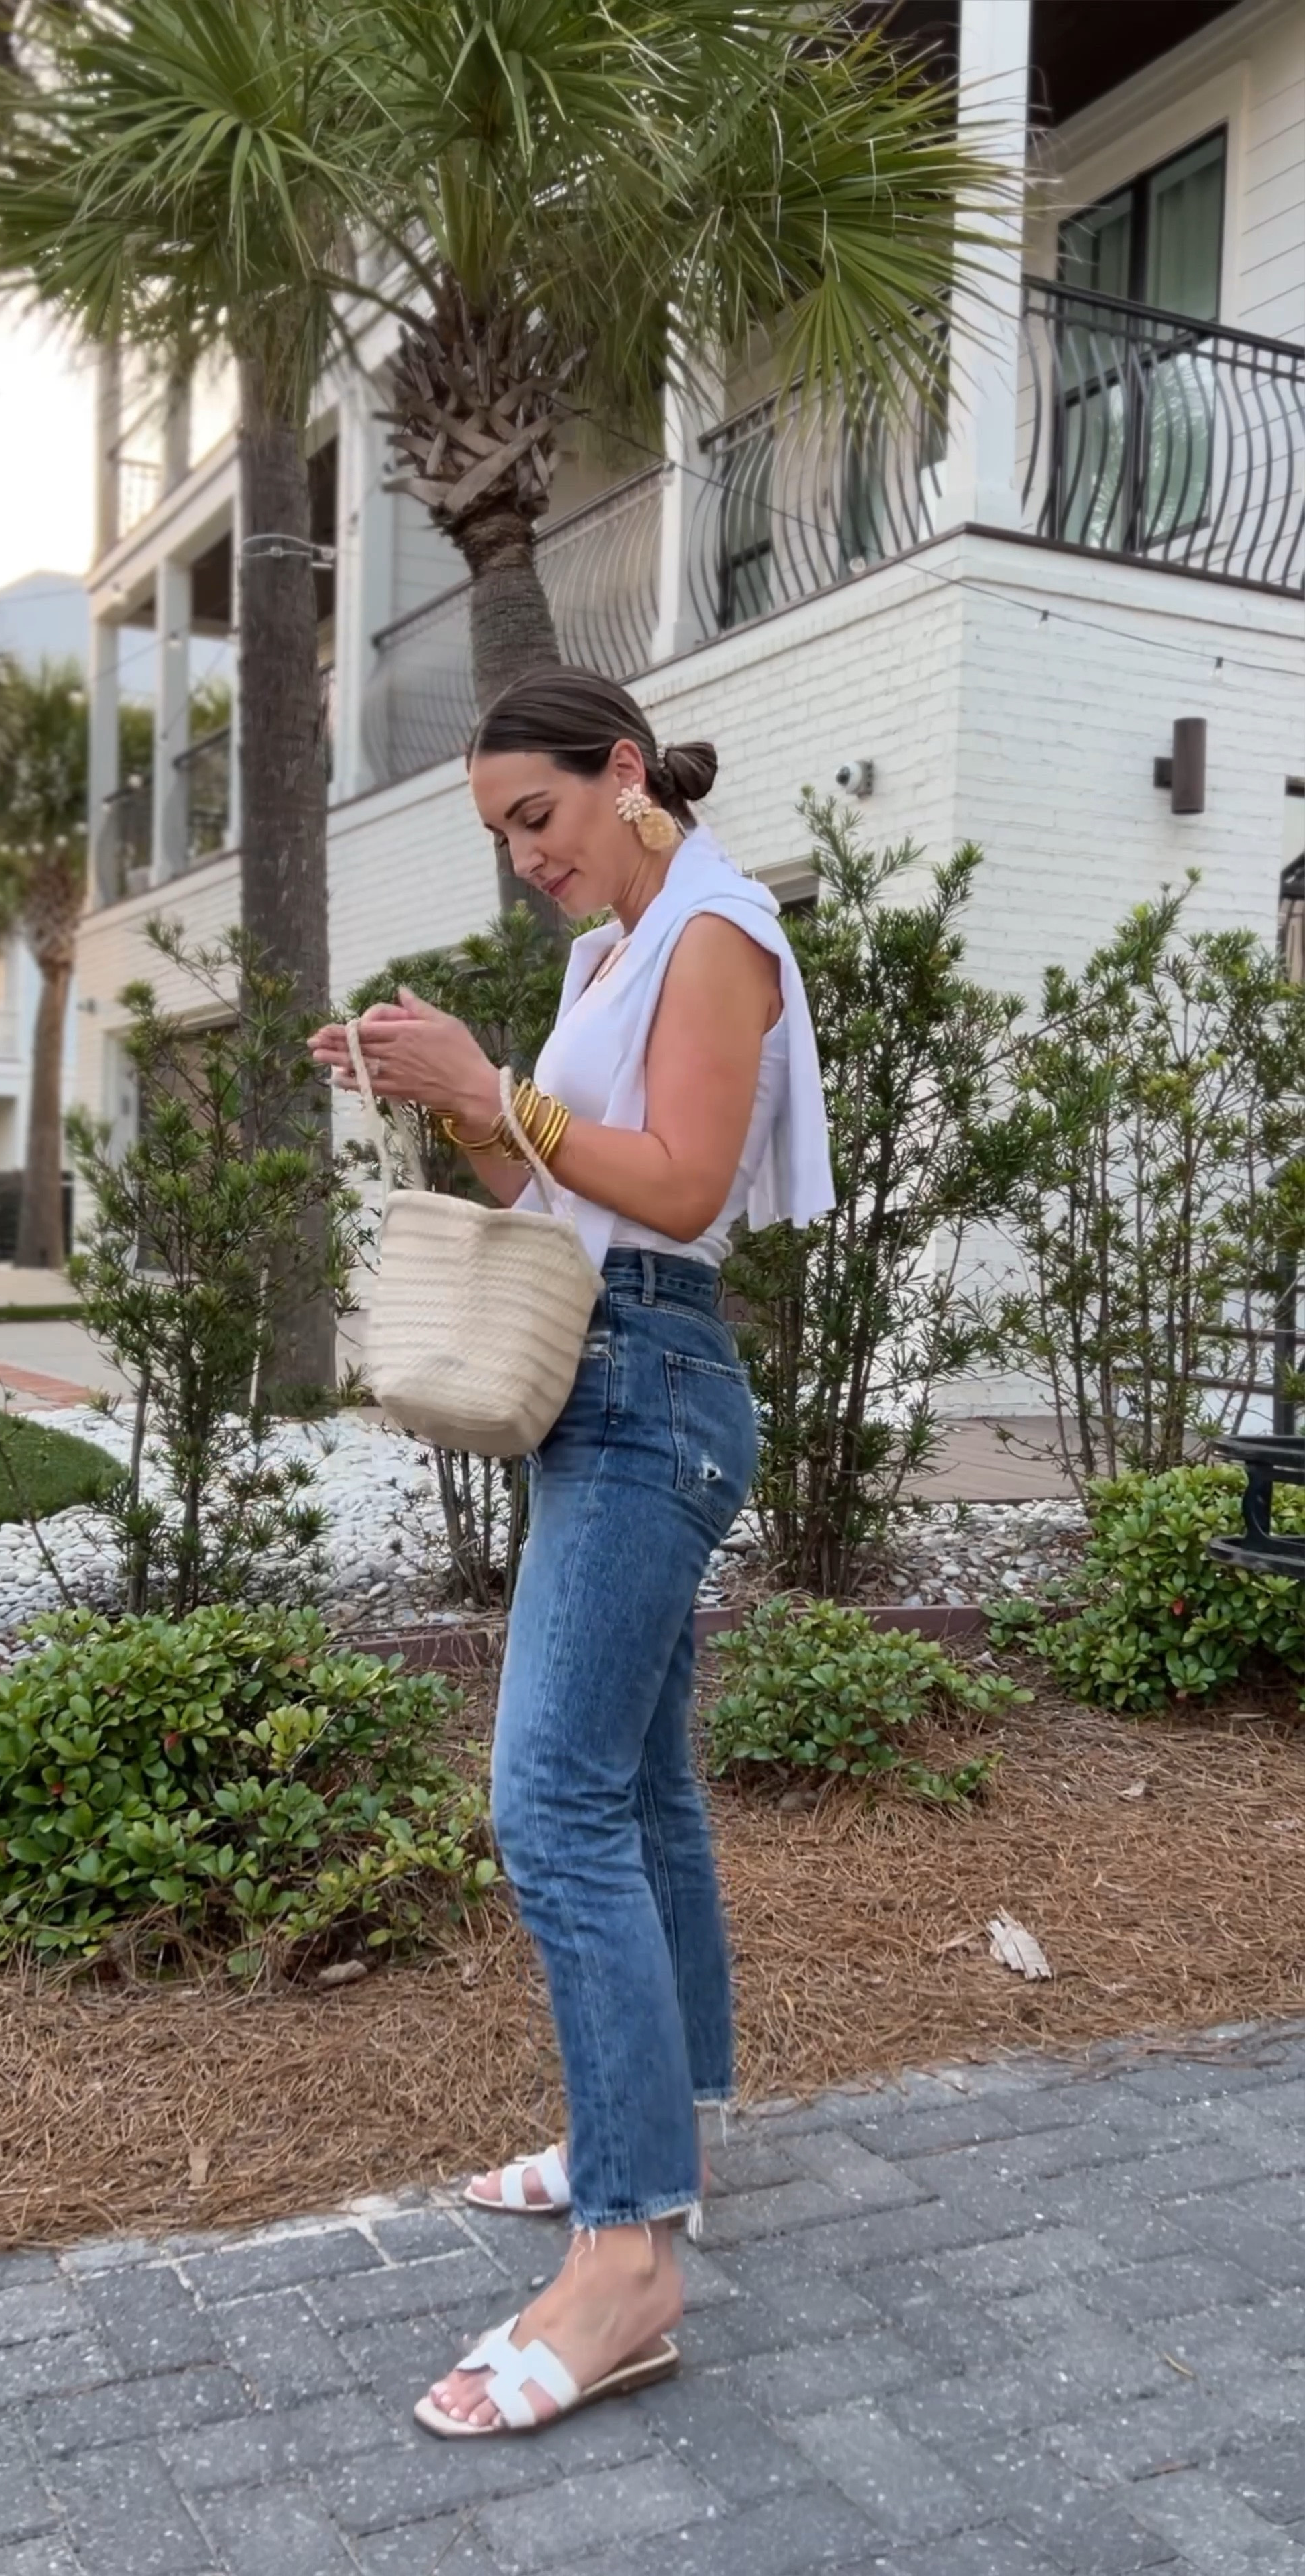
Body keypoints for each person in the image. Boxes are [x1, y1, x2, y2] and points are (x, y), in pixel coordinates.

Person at [309, 667, 832, 2440]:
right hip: (595, 1385)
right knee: (638, 1791)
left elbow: (680, 1189)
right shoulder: (613, 946)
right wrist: (450, 1085)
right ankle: (659, 2136)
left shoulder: (716, 928)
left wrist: (499, 1094)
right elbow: (558, 1196)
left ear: (623, 771)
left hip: (654, 1388)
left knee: (550, 1807)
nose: (526, 857)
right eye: (502, 836)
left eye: (538, 816)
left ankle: (625, 2265)